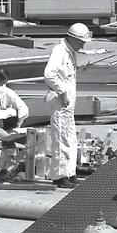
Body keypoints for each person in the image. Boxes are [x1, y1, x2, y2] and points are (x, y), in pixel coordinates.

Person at [44, 22, 91, 188]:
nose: (83, 45)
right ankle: (59, 176)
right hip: (60, 104)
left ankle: (70, 173)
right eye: (82, 42)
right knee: (61, 140)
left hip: (68, 106)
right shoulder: (60, 51)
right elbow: (49, 74)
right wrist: (62, 92)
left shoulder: (71, 52)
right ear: (73, 39)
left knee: (70, 139)